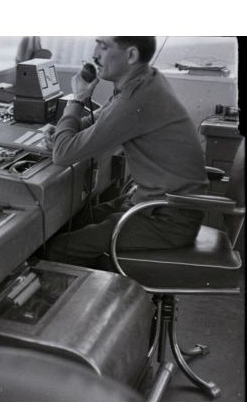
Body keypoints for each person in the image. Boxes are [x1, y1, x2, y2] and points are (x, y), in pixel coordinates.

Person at [42, 36, 208, 268]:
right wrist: (66, 129)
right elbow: (100, 122)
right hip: (154, 205)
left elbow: (62, 155)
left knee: (58, 249)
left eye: (104, 47)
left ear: (131, 55)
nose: (95, 55)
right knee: (71, 222)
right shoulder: (146, 80)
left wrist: (77, 100)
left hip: (165, 220)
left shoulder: (136, 97)